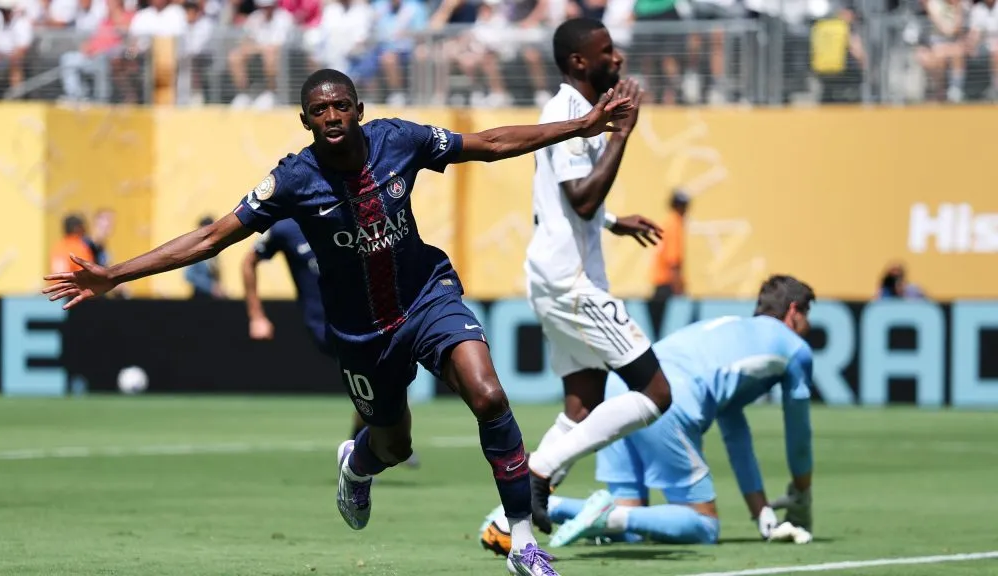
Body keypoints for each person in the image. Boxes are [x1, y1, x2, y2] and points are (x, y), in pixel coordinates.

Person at [43, 67, 634, 576]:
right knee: (393, 445)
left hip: (427, 295)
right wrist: (116, 273)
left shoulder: (399, 140)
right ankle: (357, 465)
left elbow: (489, 142)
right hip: (361, 334)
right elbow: (212, 237)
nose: (331, 115)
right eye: (319, 109)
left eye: (340, 106)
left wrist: (580, 127)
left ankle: (524, 542)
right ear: (306, 120)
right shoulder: (293, 180)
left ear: (358, 110)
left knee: (487, 395)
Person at [481, 275, 816, 554]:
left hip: (620, 391)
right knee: (704, 525)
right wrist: (802, 494)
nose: (807, 326)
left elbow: (735, 434)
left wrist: (762, 514)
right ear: (793, 312)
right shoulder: (795, 348)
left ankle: (518, 512)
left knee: (635, 523)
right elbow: (799, 435)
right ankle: (608, 517)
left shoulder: (730, 328)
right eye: (807, 315)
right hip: (666, 397)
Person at [522, 17, 673, 535]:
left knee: (582, 409)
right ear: (580, 62)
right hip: (570, 281)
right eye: (607, 51)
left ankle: (510, 516)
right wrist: (624, 133)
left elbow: (563, 197)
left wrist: (615, 220)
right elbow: (581, 199)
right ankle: (537, 471)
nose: (619, 59)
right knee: (655, 393)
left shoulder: (580, 113)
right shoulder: (565, 112)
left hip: (557, 274)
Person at [241, 218, 420, 468]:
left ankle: (373, 445)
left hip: (364, 318)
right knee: (378, 378)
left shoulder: (343, 214)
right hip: (326, 326)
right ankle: (377, 444)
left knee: (385, 378)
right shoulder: (285, 228)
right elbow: (249, 261)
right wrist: (256, 316)